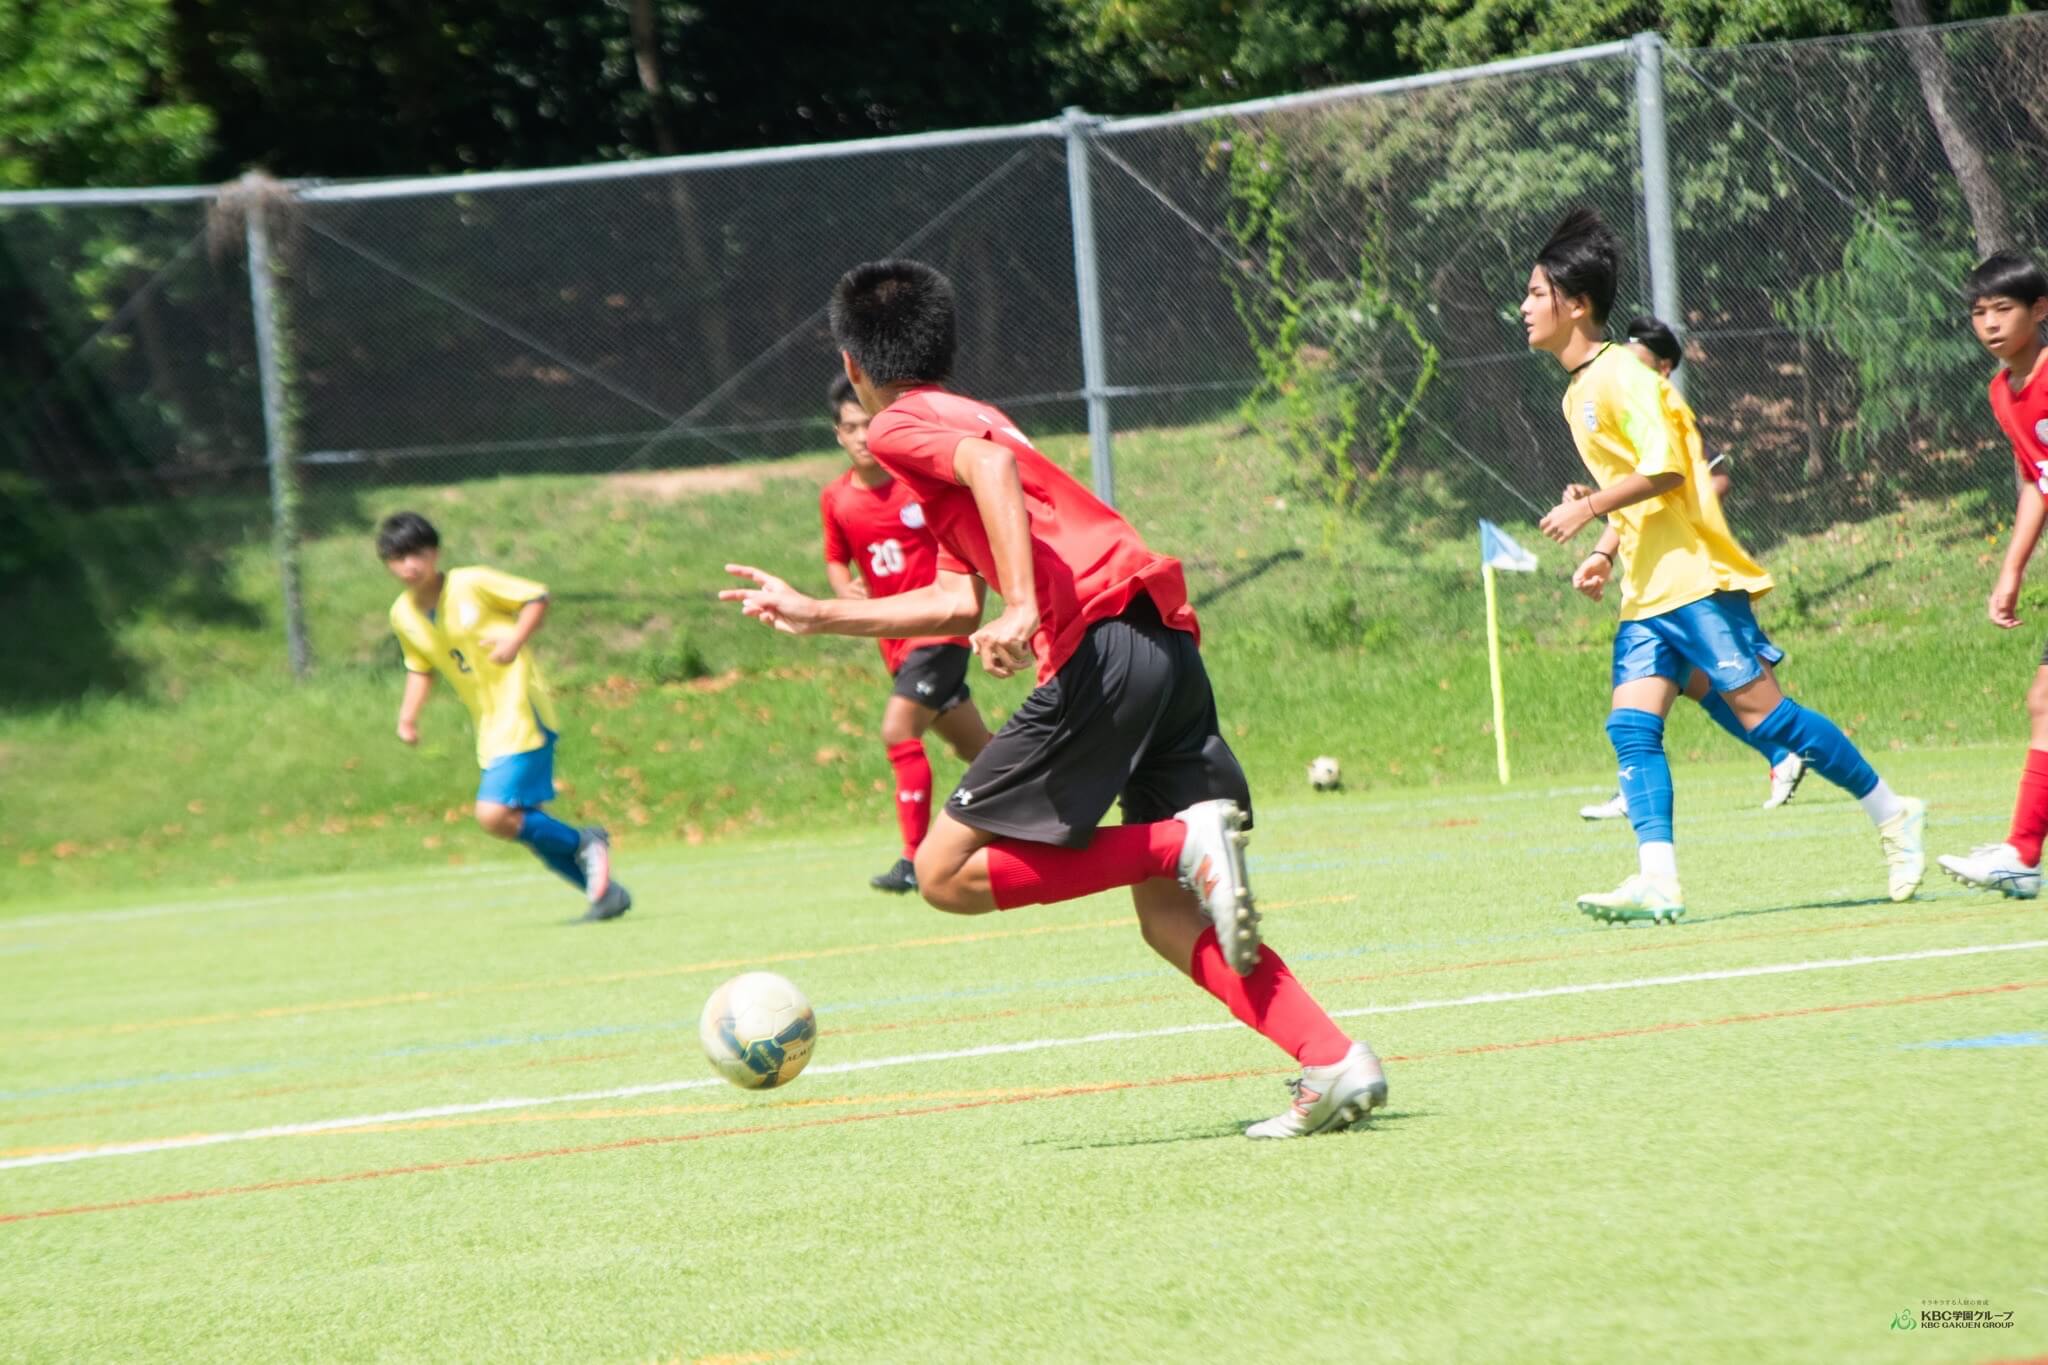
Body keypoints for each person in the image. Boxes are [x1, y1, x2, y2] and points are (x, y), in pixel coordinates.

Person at [723, 259, 1385, 1137]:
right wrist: (820, 612)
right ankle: (1332, 1058)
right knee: (1168, 917)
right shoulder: (970, 415)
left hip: (1099, 648)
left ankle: (1179, 841)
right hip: (1160, 642)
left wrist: (1025, 606)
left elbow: (992, 474)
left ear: (853, 363)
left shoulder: (899, 426)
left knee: (942, 874)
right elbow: (954, 600)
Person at [1525, 209, 1925, 922]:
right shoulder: (1576, 391)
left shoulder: (1621, 374)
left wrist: (1590, 510)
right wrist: (1602, 548)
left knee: (1769, 718)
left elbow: (1668, 471)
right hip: (1647, 591)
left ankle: (1893, 811)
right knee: (1630, 727)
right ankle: (1659, 879)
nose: (1524, 307)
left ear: (1576, 304)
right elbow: (1633, 488)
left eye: (1535, 294)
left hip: (1694, 583)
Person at [1577, 316, 1807, 821]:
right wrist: (1602, 549)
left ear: (1663, 368)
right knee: (1689, 683)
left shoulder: (1665, 411)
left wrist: (1687, 504)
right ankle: (1776, 755)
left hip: (1688, 576)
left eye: (1639, 362)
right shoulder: (1627, 411)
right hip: (1653, 577)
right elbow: (1633, 502)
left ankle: (1874, 797)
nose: (1626, 371)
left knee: (1733, 684)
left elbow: (1706, 478)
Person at [378, 511, 630, 920]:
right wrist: (408, 717)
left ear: (434, 553)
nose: (408, 565)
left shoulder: (471, 582)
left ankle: (586, 841)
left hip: (522, 709)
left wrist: (514, 640)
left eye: (416, 554)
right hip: (490, 724)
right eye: (397, 557)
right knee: (523, 824)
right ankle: (605, 895)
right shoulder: (402, 614)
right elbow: (420, 667)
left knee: (493, 815)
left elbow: (536, 597)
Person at [820, 373, 994, 893]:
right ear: (838, 435)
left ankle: (913, 859)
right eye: (850, 428)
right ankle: (1047, 803)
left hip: (938, 632)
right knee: (983, 753)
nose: (861, 437)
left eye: (867, 424)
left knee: (899, 731)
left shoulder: (915, 484)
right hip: (896, 644)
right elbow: (836, 558)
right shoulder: (836, 498)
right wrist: (843, 588)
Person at [1937, 251, 2048, 899]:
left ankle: (2022, 852)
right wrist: (2011, 569)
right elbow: (2037, 483)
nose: (1990, 324)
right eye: (1979, 312)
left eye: (2003, 309)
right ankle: (2021, 852)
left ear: (2040, 310)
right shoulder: (2002, 393)